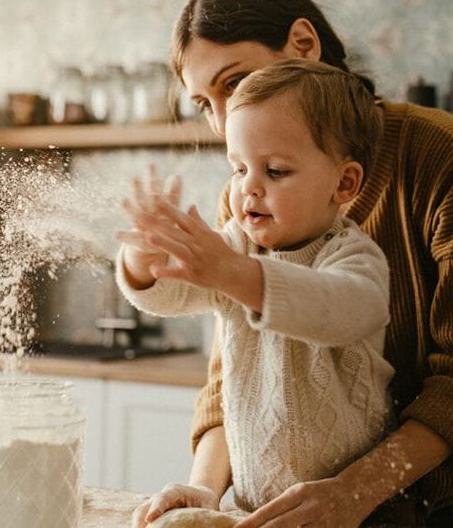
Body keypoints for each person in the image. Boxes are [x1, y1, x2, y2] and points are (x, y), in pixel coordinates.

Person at [132, 0, 453, 526]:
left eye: (233, 84)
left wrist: (356, 492)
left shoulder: (439, 155)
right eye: (204, 104)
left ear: (305, 45)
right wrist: (204, 487)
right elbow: (231, 372)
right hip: (323, 504)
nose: (224, 121)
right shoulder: (246, 201)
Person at [118, 59, 396, 522]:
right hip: (251, 509)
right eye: (239, 167)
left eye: (276, 171)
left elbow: (339, 308)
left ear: (343, 182)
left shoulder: (355, 257)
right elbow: (168, 294)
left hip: (349, 515)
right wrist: (144, 257)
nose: (249, 187)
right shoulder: (238, 250)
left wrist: (232, 272)